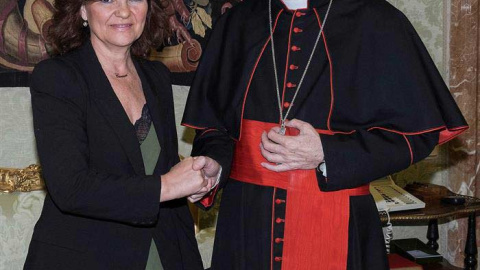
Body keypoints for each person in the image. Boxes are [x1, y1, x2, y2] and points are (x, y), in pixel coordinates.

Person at [182, 0, 468, 269]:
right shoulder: (236, 22)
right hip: (245, 227)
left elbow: (415, 135)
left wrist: (327, 152)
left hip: (339, 221)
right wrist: (214, 163)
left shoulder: (377, 20)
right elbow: (213, 126)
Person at [24, 0, 211, 269]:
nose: (124, 11)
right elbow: (71, 188)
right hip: (85, 257)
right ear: (83, 10)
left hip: (161, 252)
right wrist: (167, 186)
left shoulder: (157, 77)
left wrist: (196, 181)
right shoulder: (58, 77)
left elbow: (165, 181)